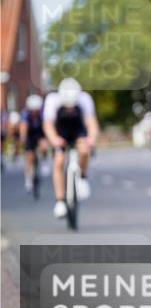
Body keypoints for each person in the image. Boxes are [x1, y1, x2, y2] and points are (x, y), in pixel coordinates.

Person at [43, 78, 99, 218]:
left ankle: (83, 176)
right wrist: (54, 139)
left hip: (78, 130)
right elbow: (48, 124)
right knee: (59, 161)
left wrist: (91, 139)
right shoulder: (52, 100)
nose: (69, 108)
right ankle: (60, 201)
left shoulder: (85, 99)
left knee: (84, 149)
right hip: (60, 132)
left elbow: (91, 122)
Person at [20, 94, 49, 190]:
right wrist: (23, 138)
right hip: (29, 135)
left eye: (36, 110)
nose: (34, 112)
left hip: (40, 133)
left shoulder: (42, 114)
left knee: (44, 145)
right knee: (29, 156)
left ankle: (44, 160)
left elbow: (46, 126)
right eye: (33, 110)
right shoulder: (25, 114)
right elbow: (23, 127)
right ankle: (28, 178)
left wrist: (47, 138)